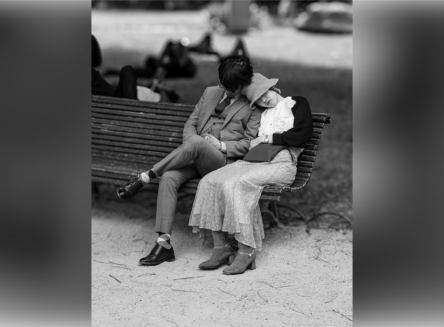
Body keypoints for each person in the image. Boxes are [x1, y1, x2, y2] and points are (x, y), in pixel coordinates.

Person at [116, 56, 262, 266]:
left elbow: (249, 143)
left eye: (230, 87)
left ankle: (145, 177)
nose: (224, 89)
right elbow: (190, 123)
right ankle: (163, 243)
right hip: (196, 157)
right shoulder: (210, 92)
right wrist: (191, 146)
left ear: (243, 84)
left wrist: (219, 146)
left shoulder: (253, 104)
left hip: (223, 163)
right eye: (223, 84)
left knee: (196, 143)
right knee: (168, 177)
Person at [188, 73, 314, 275]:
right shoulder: (262, 114)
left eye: (264, 93)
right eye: (258, 100)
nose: (264, 99)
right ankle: (221, 247)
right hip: (254, 161)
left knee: (239, 184)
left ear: (271, 86)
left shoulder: (296, 104)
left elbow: (301, 136)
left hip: (282, 163)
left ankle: (246, 250)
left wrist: (268, 139)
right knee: (209, 181)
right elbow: (249, 142)